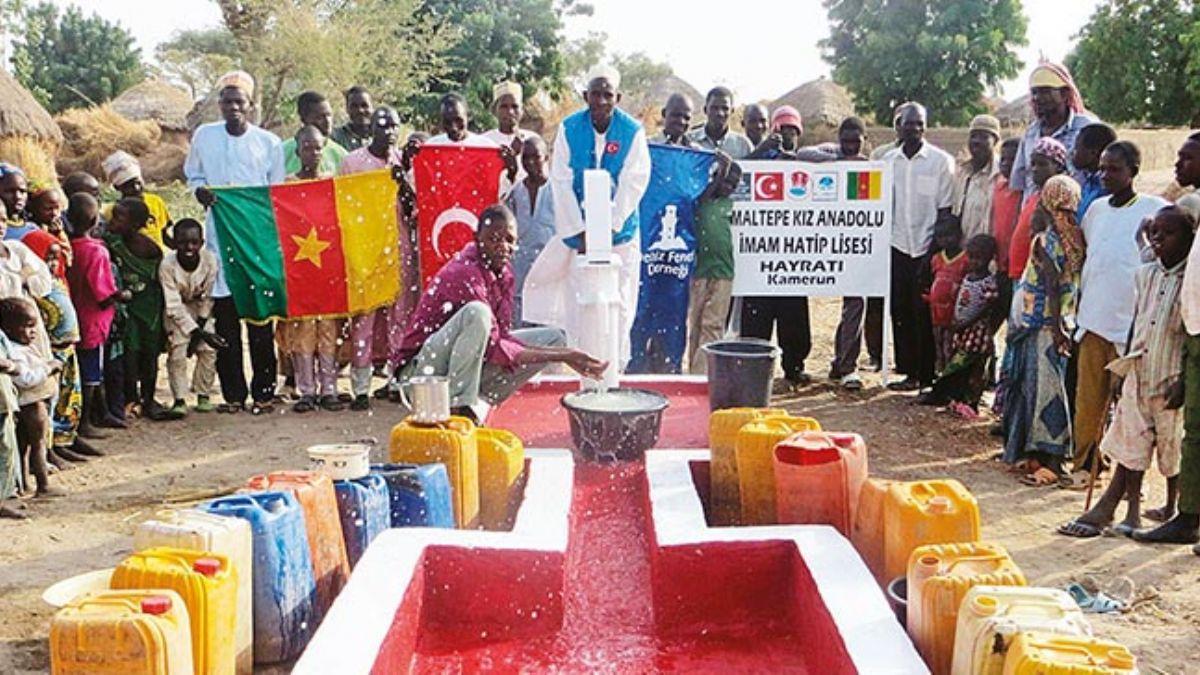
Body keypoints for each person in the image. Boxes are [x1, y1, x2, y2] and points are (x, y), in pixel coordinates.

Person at [393, 205, 607, 421]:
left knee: (555, 339)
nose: (503, 247)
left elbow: (501, 341)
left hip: (451, 370)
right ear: (477, 239)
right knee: (478, 313)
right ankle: (459, 409)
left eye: (509, 240)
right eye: (494, 239)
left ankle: (479, 399)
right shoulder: (464, 272)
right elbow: (496, 345)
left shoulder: (503, 273)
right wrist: (565, 357)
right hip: (421, 377)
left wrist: (563, 352)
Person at [1059, 205, 1191, 538]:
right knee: (1132, 444)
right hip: (1139, 370)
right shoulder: (1147, 273)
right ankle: (1130, 512)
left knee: (1170, 448)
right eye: (1155, 233)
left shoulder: (1189, 281)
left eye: (1168, 234)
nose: (1159, 240)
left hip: (1169, 377)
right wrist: (1123, 366)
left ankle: (1172, 507)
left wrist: (1185, 381)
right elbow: (1137, 320)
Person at [521, 65, 652, 372]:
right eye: (596, 94)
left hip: (620, 239)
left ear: (617, 97)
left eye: (608, 95)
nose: (602, 101)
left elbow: (634, 183)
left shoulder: (633, 131)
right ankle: (581, 370)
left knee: (618, 308)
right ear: (586, 96)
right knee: (580, 305)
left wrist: (607, 231)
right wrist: (581, 232)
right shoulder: (569, 129)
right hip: (579, 239)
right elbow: (561, 181)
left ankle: (614, 370)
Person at [1068, 141, 1168, 489]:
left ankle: (1126, 481)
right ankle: (1085, 465)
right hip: (1093, 320)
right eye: (1103, 167)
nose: (1105, 174)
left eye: (1114, 169)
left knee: (1128, 407)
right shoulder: (1094, 209)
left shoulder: (1154, 209)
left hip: (1131, 326)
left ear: (1133, 172)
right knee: (1088, 400)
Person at [185, 70, 285, 415]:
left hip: (256, 243)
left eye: (238, 102)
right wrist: (199, 190)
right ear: (220, 105)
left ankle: (264, 392)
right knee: (225, 320)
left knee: (259, 322)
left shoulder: (268, 143)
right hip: (218, 238)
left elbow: (276, 195)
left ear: (250, 105)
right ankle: (232, 395)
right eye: (226, 102)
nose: (232, 107)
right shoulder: (204, 137)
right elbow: (193, 175)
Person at [1135, 133, 1200, 548]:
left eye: (1188, 157)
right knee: (1195, 431)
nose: (1179, 163)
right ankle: (1189, 517)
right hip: (1195, 332)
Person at [1003, 176, 1085, 486]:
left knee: (1045, 392)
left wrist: (1053, 327)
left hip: (1043, 327)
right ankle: (1038, 455)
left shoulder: (1047, 240)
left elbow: (1051, 287)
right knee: (1051, 388)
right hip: (1062, 324)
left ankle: (1052, 461)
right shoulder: (1075, 238)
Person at [738, 106, 820, 392]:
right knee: (756, 317)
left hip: (792, 256)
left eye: (792, 130)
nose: (787, 135)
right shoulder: (759, 159)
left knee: (794, 317)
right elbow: (737, 175)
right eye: (782, 129)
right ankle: (754, 369)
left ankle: (794, 367)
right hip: (759, 254)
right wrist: (763, 152)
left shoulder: (805, 161)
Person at [340, 107, 411, 410]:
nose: (389, 132)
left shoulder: (404, 163)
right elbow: (341, 207)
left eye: (394, 126)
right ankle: (360, 388)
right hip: (364, 251)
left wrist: (402, 180)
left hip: (399, 247)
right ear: (371, 128)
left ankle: (396, 380)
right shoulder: (352, 163)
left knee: (399, 316)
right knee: (364, 318)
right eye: (383, 126)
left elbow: (414, 208)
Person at [885, 102, 955, 392]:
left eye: (918, 123)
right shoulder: (888, 161)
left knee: (924, 313)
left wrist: (931, 255)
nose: (913, 128)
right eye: (907, 123)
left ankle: (927, 375)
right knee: (900, 310)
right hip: (897, 245)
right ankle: (909, 372)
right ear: (898, 127)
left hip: (928, 248)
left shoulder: (941, 162)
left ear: (925, 126)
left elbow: (945, 211)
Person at [684, 87, 753, 375]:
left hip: (725, 249)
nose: (721, 113)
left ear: (732, 111)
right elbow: (691, 192)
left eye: (726, 108)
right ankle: (694, 376)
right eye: (715, 108)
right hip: (696, 248)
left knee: (714, 324)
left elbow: (749, 193)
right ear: (706, 109)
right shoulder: (691, 143)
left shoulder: (743, 145)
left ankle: (701, 379)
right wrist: (716, 180)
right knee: (694, 322)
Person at [281, 125, 344, 413]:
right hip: (300, 268)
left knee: (328, 329)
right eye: (308, 147)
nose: (314, 152)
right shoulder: (287, 185)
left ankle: (329, 388)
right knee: (303, 330)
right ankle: (306, 390)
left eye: (318, 147)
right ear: (298, 151)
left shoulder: (333, 185)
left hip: (328, 266)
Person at [64, 193, 128, 432]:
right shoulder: (96, 252)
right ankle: (86, 422)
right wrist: (123, 295)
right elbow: (103, 295)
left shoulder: (70, 246)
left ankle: (98, 414)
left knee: (86, 369)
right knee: (91, 373)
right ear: (95, 221)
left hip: (77, 315)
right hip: (94, 321)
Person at [829, 116, 884, 388]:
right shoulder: (829, 161)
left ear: (864, 141)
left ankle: (847, 366)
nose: (850, 146)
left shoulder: (872, 171)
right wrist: (837, 160)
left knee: (855, 305)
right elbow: (805, 154)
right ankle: (841, 360)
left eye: (855, 141)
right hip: (825, 247)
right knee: (852, 308)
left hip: (857, 247)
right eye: (845, 141)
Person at [924, 234, 1002, 414]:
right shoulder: (968, 277)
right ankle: (958, 399)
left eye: (978, 258)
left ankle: (971, 402)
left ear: (989, 258)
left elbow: (987, 308)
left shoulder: (988, 282)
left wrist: (967, 322)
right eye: (971, 257)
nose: (974, 261)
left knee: (973, 369)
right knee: (960, 366)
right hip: (962, 330)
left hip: (976, 333)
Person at [104, 198, 166, 420]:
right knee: (128, 354)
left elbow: (160, 281)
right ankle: (131, 398)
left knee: (150, 355)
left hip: (149, 309)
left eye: (120, 217)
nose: (113, 220)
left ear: (136, 223)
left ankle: (149, 400)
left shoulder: (151, 250)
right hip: (125, 309)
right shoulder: (109, 241)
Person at [160, 218, 225, 418]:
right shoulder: (167, 265)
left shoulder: (210, 260)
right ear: (174, 243)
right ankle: (179, 398)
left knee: (208, 350)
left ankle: (203, 394)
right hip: (177, 310)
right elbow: (173, 304)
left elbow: (208, 297)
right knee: (178, 350)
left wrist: (202, 331)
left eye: (194, 242)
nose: (188, 247)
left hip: (201, 309)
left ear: (202, 242)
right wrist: (195, 332)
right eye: (182, 242)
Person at [2, 297, 63, 499]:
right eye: (27, 327)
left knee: (23, 447)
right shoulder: (15, 352)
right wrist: (49, 367)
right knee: (38, 445)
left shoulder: (18, 347)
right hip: (32, 405)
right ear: (9, 328)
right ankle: (43, 485)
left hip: (28, 406)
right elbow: (27, 379)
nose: (33, 332)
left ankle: (24, 485)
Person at [1010, 62, 1097, 200]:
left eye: (1045, 91)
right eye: (1035, 92)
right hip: (1033, 216)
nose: (1038, 98)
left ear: (1064, 94)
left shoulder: (1087, 129)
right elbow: (1019, 185)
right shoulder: (1030, 134)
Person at [1007, 138, 1068, 292]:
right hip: (1020, 271)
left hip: (1037, 276)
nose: (1035, 169)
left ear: (1059, 167)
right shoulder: (1034, 196)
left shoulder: (1056, 198)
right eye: (1033, 164)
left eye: (1042, 164)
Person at [505, 136, 555, 326]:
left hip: (550, 270)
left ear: (547, 157)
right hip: (520, 271)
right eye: (525, 158)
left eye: (536, 157)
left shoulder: (559, 190)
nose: (530, 162)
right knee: (520, 330)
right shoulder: (516, 192)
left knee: (549, 330)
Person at [922, 218, 968, 375]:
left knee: (952, 347)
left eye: (949, 236)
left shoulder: (965, 259)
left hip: (955, 314)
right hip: (936, 313)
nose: (945, 240)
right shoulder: (936, 259)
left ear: (958, 235)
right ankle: (940, 375)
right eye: (941, 237)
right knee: (939, 346)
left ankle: (951, 378)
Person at [101, 151, 172, 248]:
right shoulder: (112, 212)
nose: (136, 188)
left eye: (138, 182)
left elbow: (163, 235)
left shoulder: (155, 202)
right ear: (117, 187)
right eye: (129, 185)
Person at [952, 115, 1001, 240]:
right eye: (973, 136)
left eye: (984, 137)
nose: (976, 141)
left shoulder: (1001, 175)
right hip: (962, 252)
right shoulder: (961, 172)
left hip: (989, 254)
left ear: (995, 141)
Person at [281, 91, 348, 176]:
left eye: (329, 115)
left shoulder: (340, 154)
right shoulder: (282, 152)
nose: (327, 121)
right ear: (303, 119)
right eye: (320, 117)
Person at [483, 80, 537, 183]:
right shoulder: (485, 142)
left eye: (515, 106)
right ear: (494, 110)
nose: (510, 112)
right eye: (504, 107)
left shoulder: (533, 139)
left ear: (522, 110)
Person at [1072, 123, 1117, 222]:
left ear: (1093, 153)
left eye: (1076, 149)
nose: (1072, 152)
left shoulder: (1106, 187)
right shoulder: (1085, 181)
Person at [330, 85, 374, 152]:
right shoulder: (336, 137)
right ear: (347, 109)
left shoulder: (381, 137)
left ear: (372, 108)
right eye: (354, 106)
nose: (360, 110)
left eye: (364, 105)